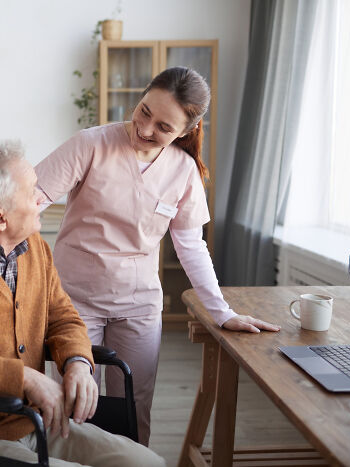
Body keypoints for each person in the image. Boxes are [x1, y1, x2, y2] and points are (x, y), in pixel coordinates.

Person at [34, 66, 280, 446]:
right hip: (74, 303)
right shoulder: (91, 144)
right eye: (145, 110)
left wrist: (222, 312)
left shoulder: (183, 171)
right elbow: (29, 202)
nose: (145, 129)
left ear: (186, 131)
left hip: (138, 306)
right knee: (73, 406)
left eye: (164, 127)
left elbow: (191, 246)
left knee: (132, 409)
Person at [0, 140, 165, 466]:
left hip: (34, 419)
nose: (43, 198)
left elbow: (63, 317)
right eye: (32, 192)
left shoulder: (34, 247)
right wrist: (24, 377)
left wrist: (78, 361)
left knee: (146, 463)